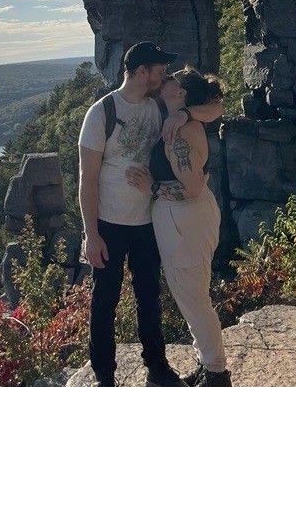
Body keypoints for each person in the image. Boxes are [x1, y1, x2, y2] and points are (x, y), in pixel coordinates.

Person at [78, 42, 223, 387]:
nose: (165, 75)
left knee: (149, 298)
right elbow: (87, 178)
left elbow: (217, 106)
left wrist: (185, 114)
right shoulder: (102, 113)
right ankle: (104, 379)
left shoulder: (160, 106)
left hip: (148, 222)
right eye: (160, 69)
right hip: (110, 225)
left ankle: (157, 369)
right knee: (104, 303)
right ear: (142, 71)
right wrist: (91, 233)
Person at [127, 67, 231, 386]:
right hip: (185, 219)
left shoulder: (181, 131)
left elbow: (192, 188)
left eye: (172, 78)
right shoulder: (179, 118)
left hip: (182, 219)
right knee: (191, 294)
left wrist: (153, 189)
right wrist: (184, 113)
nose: (166, 78)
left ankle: (216, 374)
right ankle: (208, 362)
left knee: (193, 298)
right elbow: (217, 105)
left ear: (181, 92)